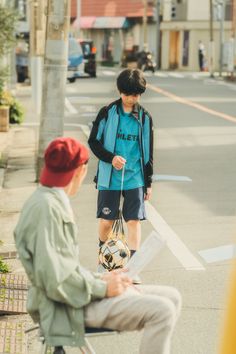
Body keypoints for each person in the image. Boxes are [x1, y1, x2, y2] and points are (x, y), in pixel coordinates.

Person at [14, 137, 181, 354]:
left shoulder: (47, 200)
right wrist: (103, 287)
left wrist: (103, 278)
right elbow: (54, 279)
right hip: (66, 307)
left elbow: (63, 269)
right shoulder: (48, 209)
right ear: (79, 171)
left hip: (73, 297)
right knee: (163, 310)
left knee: (171, 297)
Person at [88, 69, 153, 276]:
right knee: (107, 221)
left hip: (135, 178)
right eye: (127, 94)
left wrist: (148, 182)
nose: (131, 98)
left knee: (133, 220)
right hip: (110, 177)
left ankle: (133, 268)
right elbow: (93, 141)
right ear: (120, 91)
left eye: (136, 94)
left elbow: (148, 152)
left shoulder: (144, 118)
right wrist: (111, 158)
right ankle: (103, 256)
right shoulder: (107, 112)